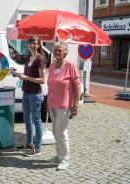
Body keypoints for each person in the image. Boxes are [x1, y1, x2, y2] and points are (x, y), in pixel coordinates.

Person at [47, 41, 81, 170]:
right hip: (52, 103)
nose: (57, 52)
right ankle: (59, 155)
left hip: (64, 104)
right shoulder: (52, 66)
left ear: (65, 52)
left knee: (62, 132)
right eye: (55, 50)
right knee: (55, 132)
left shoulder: (70, 65)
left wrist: (75, 105)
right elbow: (51, 85)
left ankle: (65, 159)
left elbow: (77, 86)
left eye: (60, 50)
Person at [16, 36, 46, 157]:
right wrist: (19, 75)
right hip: (26, 92)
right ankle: (29, 143)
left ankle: (38, 147)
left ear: (39, 45)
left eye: (36, 43)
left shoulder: (40, 59)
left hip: (35, 94)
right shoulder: (28, 58)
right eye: (31, 43)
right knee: (27, 120)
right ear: (28, 45)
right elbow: (27, 75)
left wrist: (26, 78)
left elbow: (42, 80)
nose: (33, 45)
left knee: (36, 121)